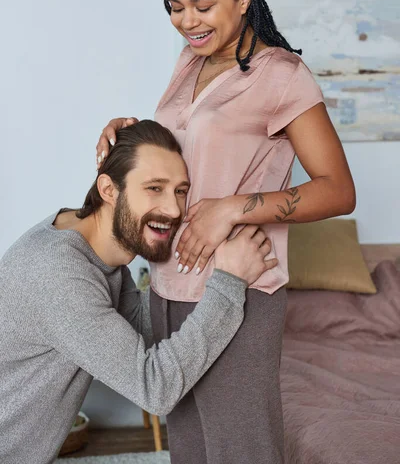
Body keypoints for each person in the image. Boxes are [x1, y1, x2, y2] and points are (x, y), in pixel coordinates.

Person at [96, 0, 356, 464]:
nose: (188, 21)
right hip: (170, 281)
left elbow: (339, 190)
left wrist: (234, 208)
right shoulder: (190, 64)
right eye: (175, 8)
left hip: (241, 285)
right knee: (190, 445)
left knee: (241, 447)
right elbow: (188, 153)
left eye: (203, 5)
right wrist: (129, 132)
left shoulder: (283, 75)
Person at [0, 120, 275, 464]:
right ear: (109, 190)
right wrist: (229, 281)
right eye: (154, 188)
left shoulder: (94, 246)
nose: (175, 210)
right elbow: (154, 388)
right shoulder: (59, 275)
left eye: (179, 190)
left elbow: (140, 326)